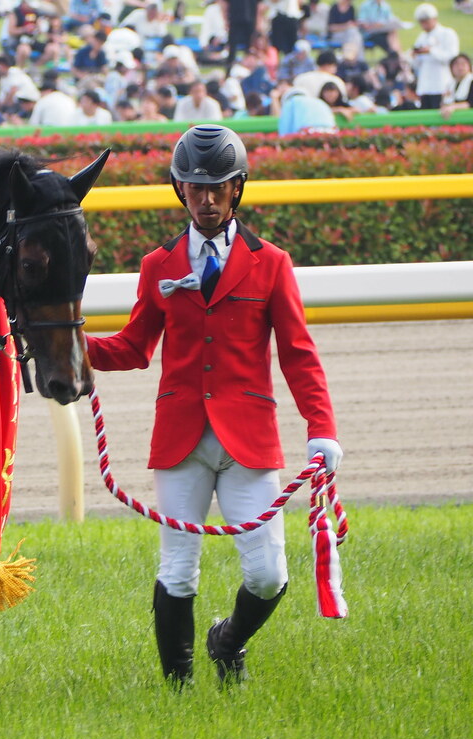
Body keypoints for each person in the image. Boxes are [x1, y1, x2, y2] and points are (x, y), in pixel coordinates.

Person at [85, 124, 342, 688]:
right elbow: (132, 348)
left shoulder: (271, 262)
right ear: (180, 189)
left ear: (238, 188)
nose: (205, 199)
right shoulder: (158, 265)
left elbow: (299, 354)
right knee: (177, 571)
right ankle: (178, 691)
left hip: (249, 439)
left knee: (270, 572)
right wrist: (70, 347)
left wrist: (321, 428)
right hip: (180, 440)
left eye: (217, 188)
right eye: (194, 188)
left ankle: (227, 642)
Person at [411, 3, 459, 110]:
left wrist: (431, 51)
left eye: (426, 21)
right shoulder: (421, 37)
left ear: (434, 18)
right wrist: (415, 56)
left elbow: (452, 58)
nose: (424, 24)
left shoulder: (447, 33)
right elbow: (416, 65)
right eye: (421, 22)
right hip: (425, 85)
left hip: (442, 83)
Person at [441, 53, 473, 119]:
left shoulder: (471, 81)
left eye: (463, 64)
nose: (460, 67)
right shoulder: (450, 85)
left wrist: (453, 107)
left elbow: (470, 103)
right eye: (456, 65)